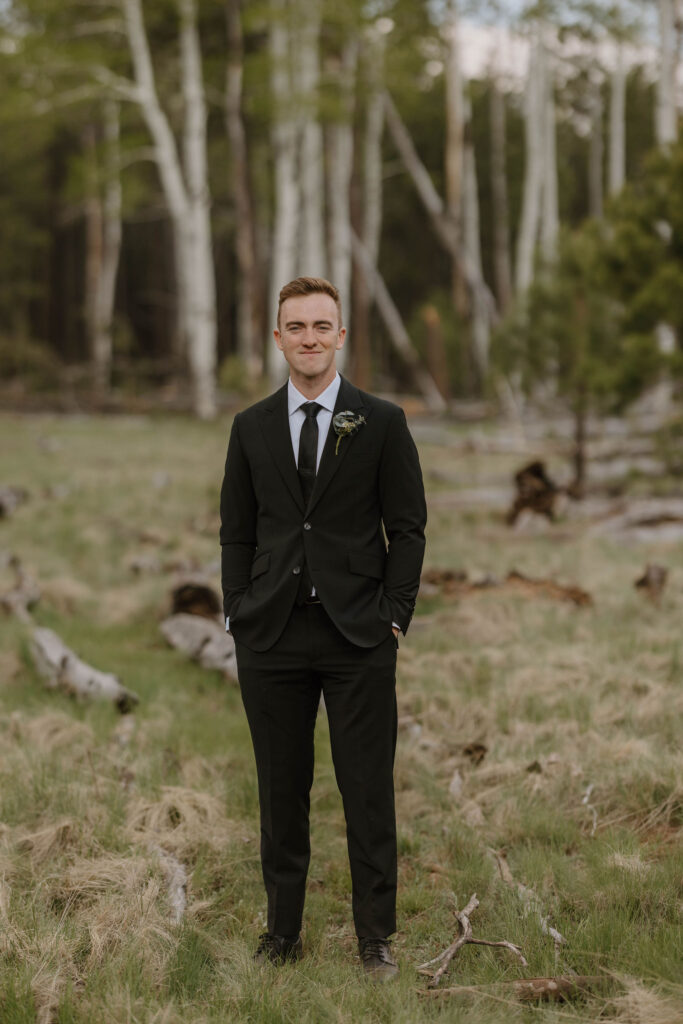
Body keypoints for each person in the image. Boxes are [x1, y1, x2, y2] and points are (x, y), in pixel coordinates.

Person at [219, 276, 426, 980]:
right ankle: (282, 933)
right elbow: (236, 532)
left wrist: (394, 617)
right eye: (295, 326)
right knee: (280, 789)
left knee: (365, 788)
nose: (308, 338)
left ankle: (375, 938)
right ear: (277, 338)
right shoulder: (249, 427)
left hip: (357, 635)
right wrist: (235, 609)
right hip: (270, 634)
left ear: (342, 336)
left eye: (321, 326)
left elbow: (407, 527)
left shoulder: (381, 421)